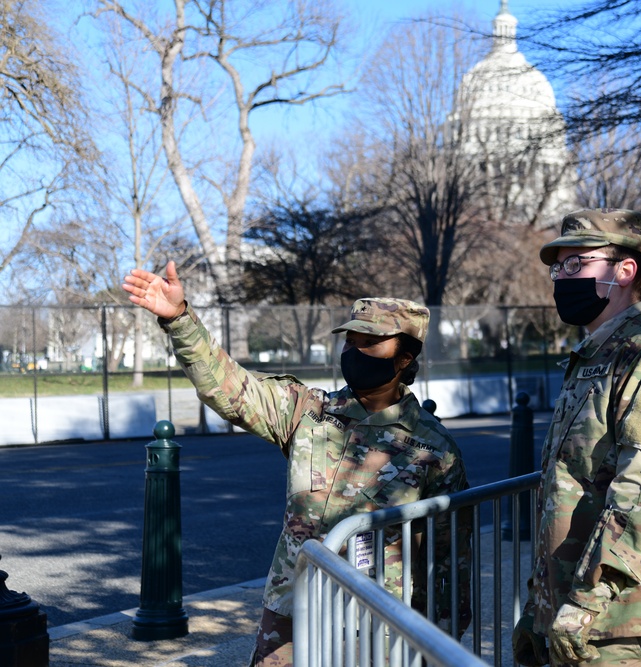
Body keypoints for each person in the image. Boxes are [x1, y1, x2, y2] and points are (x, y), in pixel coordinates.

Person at [122, 262, 470, 666]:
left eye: (370, 344)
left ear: (404, 358)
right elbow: (230, 387)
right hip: (290, 612)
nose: (354, 353)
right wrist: (181, 320)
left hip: (373, 625)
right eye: (349, 342)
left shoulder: (434, 450)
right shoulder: (309, 411)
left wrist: (436, 647)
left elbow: (447, 563)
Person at [512, 209, 641, 667]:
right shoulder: (597, 355)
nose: (561, 278)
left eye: (577, 264)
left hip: (631, 621)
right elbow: (570, 492)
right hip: (580, 616)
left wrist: (588, 599)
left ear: (625, 271)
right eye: (558, 267)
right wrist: (540, 609)